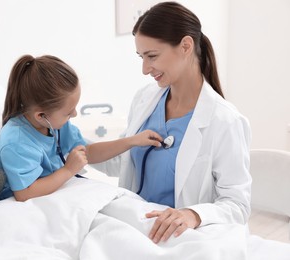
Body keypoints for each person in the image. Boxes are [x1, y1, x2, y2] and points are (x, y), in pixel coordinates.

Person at [93, 1, 252, 244]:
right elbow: (122, 162)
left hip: (177, 239)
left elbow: (238, 205)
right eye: (141, 57)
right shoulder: (145, 100)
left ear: (186, 46)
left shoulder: (225, 121)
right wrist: (68, 141)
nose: (145, 69)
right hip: (133, 226)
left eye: (152, 56)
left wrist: (193, 214)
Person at [0, 54, 163, 202]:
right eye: (67, 112)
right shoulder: (16, 141)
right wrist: (68, 170)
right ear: (41, 115)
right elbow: (24, 193)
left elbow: (88, 152)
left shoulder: (55, 125)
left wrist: (132, 141)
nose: (74, 114)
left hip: (57, 191)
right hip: (22, 203)